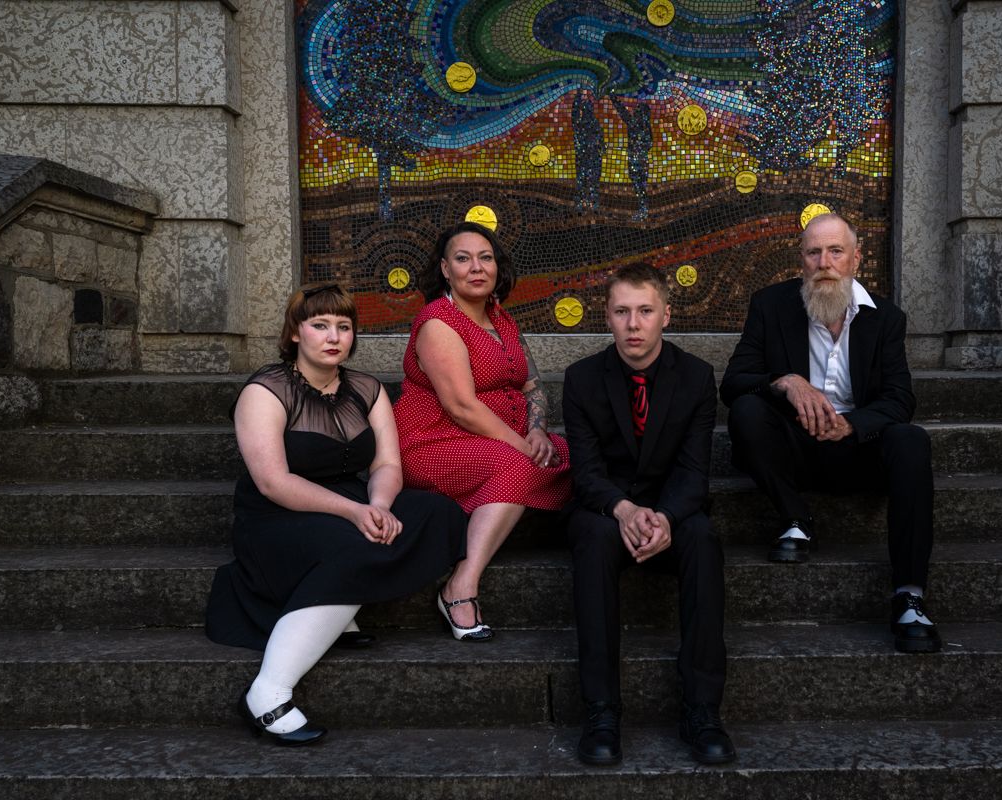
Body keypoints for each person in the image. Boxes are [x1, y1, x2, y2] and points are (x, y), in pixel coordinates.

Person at [205, 283, 467, 746]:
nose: (334, 337)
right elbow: (273, 482)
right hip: (278, 515)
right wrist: (354, 512)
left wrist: (379, 505)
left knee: (437, 512)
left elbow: (387, 465)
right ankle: (267, 692)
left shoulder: (366, 388)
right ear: (294, 333)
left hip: (355, 501)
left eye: (344, 327)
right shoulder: (265, 391)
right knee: (355, 542)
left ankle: (336, 603)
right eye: (320, 325)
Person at [720, 213, 941, 654]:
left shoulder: (886, 318)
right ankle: (795, 520)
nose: (825, 263)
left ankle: (909, 596)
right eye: (814, 252)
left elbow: (900, 399)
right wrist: (785, 381)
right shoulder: (770, 305)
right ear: (801, 260)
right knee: (746, 410)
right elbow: (733, 383)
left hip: (857, 449)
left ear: (856, 259)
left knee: (911, 440)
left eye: (836, 251)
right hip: (795, 449)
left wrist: (852, 424)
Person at [562, 263, 734, 766]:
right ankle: (601, 712)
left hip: (671, 510)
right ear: (607, 318)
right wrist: (623, 509)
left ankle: (702, 710)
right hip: (606, 509)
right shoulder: (581, 379)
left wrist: (665, 518)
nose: (633, 324)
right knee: (594, 540)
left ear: (666, 316)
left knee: (703, 540)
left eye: (644, 311)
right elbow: (586, 472)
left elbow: (693, 471)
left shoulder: (697, 377)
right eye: (621, 312)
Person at [394, 221, 571, 641]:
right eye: (463, 258)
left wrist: (538, 431)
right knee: (521, 467)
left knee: (570, 455)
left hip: (498, 440)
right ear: (445, 269)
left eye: (485, 258)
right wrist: (522, 447)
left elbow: (531, 384)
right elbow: (462, 407)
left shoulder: (501, 318)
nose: (476, 267)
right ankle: (461, 585)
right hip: (433, 443)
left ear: (497, 267)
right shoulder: (438, 323)